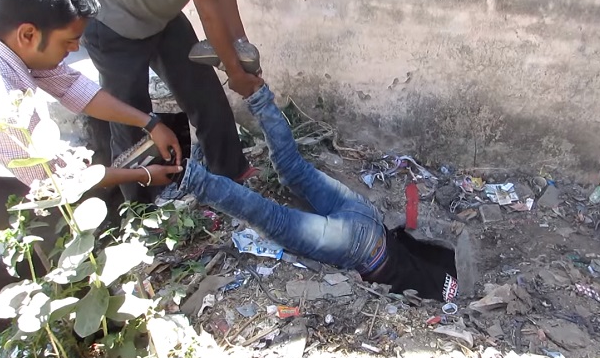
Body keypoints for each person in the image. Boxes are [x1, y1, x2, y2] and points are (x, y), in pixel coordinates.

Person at [0, 0, 185, 239]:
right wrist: (144, 175)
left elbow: (70, 85)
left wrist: (149, 123)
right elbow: (59, 180)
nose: (75, 50)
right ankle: (59, 280)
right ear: (28, 34)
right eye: (69, 41)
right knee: (52, 209)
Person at [168, 84, 460, 302]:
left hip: (367, 216)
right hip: (359, 247)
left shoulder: (440, 272)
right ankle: (192, 178)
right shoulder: (445, 295)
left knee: (293, 166)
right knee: (272, 218)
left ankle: (257, 93)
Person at [80, 0, 262, 203]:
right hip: (110, 17)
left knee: (203, 90)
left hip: (160, 16)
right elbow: (208, 11)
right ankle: (141, 210)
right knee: (131, 118)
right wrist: (235, 73)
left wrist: (241, 48)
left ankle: (232, 173)